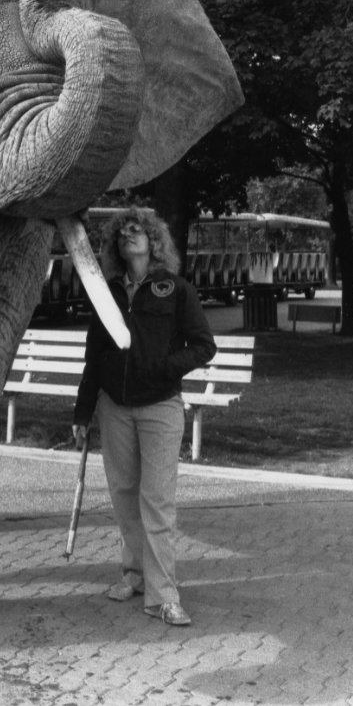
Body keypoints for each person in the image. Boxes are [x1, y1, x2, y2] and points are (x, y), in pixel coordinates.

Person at [72, 207, 216, 627]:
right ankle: (133, 576)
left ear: (154, 241)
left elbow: (204, 345)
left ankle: (164, 595)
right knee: (123, 494)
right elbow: (94, 356)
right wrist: (83, 411)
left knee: (156, 501)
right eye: (123, 233)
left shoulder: (175, 289)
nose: (129, 236)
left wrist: (165, 368)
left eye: (138, 231)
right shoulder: (107, 292)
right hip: (114, 408)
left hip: (159, 408)